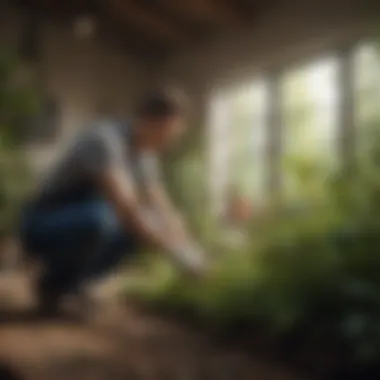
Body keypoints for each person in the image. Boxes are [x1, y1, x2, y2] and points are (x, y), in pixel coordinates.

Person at [19, 88, 207, 316]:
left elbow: (161, 206)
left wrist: (191, 249)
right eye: (169, 133)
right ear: (151, 121)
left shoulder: (145, 155)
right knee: (102, 220)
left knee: (129, 230)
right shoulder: (104, 140)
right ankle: (51, 285)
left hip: (85, 218)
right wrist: (176, 255)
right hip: (44, 222)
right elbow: (127, 207)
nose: (170, 141)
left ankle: (72, 286)